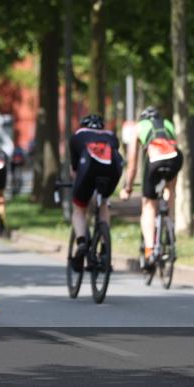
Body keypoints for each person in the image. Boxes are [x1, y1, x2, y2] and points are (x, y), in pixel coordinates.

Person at [119, 106, 183, 270]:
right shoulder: (167, 123)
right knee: (170, 191)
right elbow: (173, 145)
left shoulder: (138, 127)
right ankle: (170, 226)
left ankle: (149, 250)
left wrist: (128, 188)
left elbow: (132, 163)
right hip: (175, 158)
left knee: (148, 205)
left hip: (155, 160)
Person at [67, 114, 124, 272]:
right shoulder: (111, 135)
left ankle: (82, 242)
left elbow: (75, 170)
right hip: (113, 170)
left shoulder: (77, 136)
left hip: (88, 167)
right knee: (104, 202)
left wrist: (78, 188)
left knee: (79, 209)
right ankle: (105, 248)